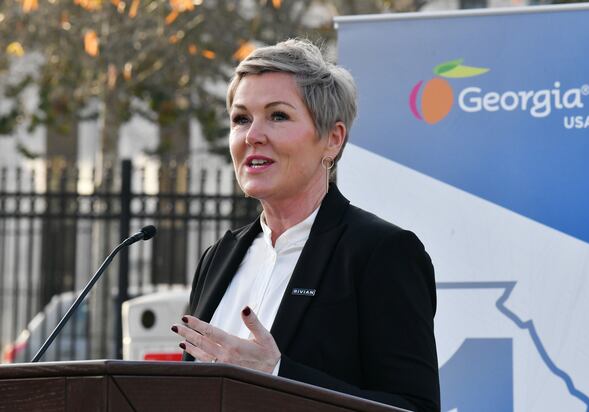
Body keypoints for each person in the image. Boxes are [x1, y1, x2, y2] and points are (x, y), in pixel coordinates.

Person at [171, 39, 440, 411]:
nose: (252, 135)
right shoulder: (218, 256)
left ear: (332, 139)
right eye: (241, 119)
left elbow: (414, 407)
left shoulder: (381, 253)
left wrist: (277, 374)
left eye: (278, 116)